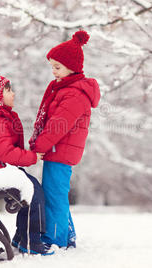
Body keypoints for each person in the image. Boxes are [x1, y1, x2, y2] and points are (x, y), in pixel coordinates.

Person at [0, 66, 54, 255]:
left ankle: (22, 238)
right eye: (8, 90)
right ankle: (30, 242)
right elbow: (5, 153)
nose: (13, 93)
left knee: (31, 188)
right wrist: (31, 157)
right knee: (32, 192)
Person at [29, 30, 101, 248]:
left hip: (59, 151)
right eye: (52, 67)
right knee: (56, 194)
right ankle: (67, 236)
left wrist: (39, 147)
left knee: (54, 196)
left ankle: (56, 241)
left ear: (72, 67)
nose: (53, 72)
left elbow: (57, 126)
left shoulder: (75, 93)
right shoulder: (65, 89)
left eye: (57, 67)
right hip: (57, 151)